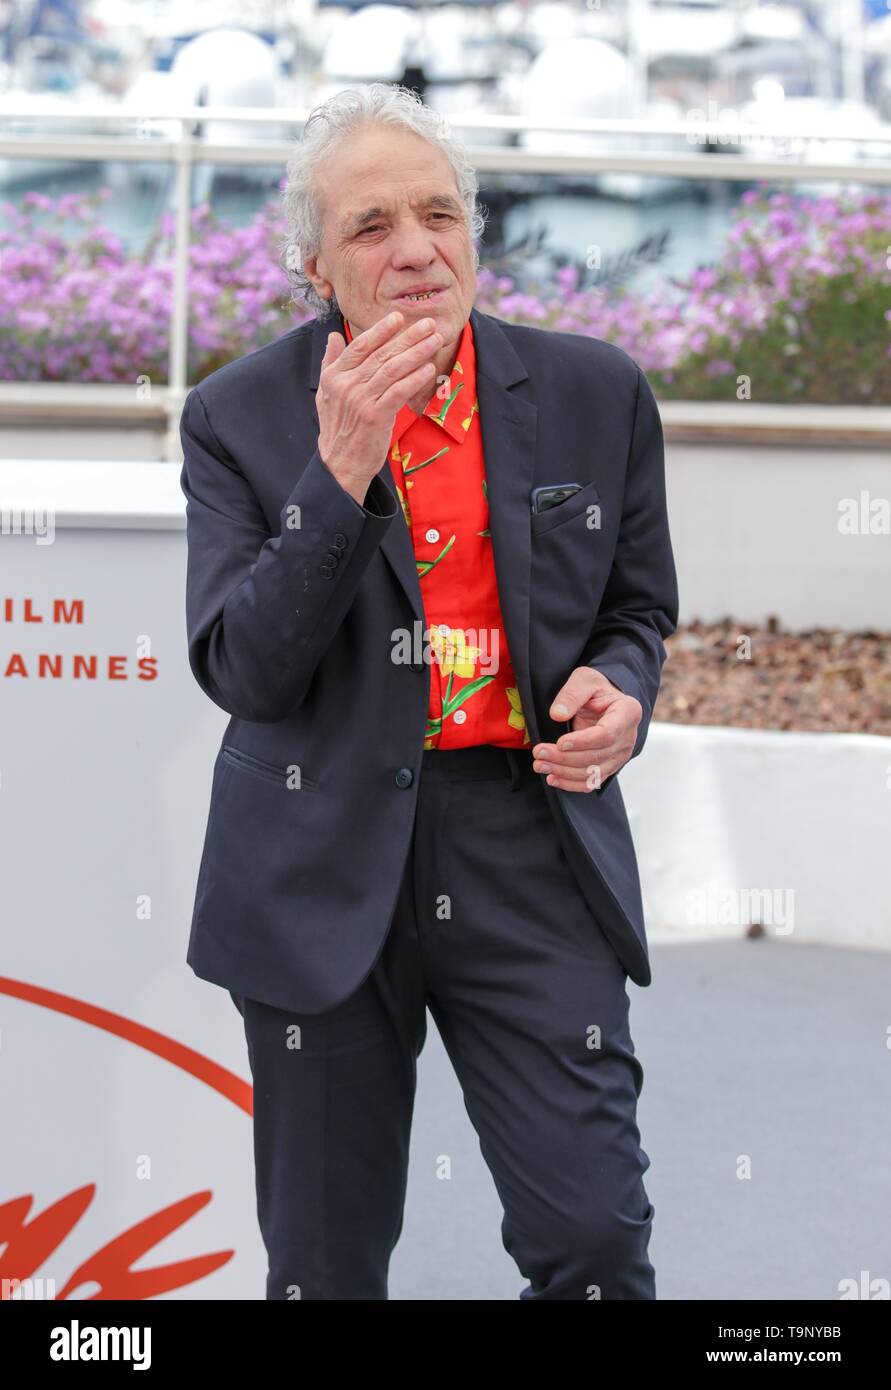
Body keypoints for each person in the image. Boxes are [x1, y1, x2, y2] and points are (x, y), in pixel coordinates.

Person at [179, 82, 679, 1300]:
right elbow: (244, 667)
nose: (414, 251)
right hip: (318, 849)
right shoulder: (236, 417)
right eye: (369, 228)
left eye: (439, 215)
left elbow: (636, 608)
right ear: (312, 266)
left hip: (526, 840)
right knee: (326, 1265)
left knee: (597, 1243)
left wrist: (622, 688)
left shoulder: (592, 391)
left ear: (474, 231)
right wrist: (339, 473)